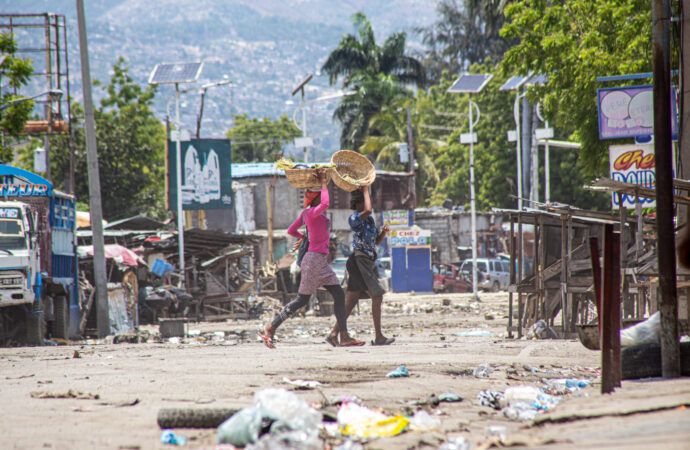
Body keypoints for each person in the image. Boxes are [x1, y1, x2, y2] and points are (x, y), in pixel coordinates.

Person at [260, 169, 364, 348]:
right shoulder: (311, 213)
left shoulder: (313, 215)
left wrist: (303, 236)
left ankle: (340, 335)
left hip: (318, 261)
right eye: (318, 196)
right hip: (314, 260)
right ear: (314, 199)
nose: (321, 199)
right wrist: (324, 182)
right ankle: (271, 327)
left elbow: (291, 230)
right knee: (302, 300)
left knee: (337, 294)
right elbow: (325, 203)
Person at [326, 185, 395, 346]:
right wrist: (366, 191)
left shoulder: (370, 221)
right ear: (357, 205)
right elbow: (369, 210)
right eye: (363, 203)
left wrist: (383, 233)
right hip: (359, 261)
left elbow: (375, 241)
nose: (366, 206)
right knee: (377, 296)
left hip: (365, 262)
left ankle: (334, 333)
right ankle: (378, 337)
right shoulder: (354, 218)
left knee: (350, 301)